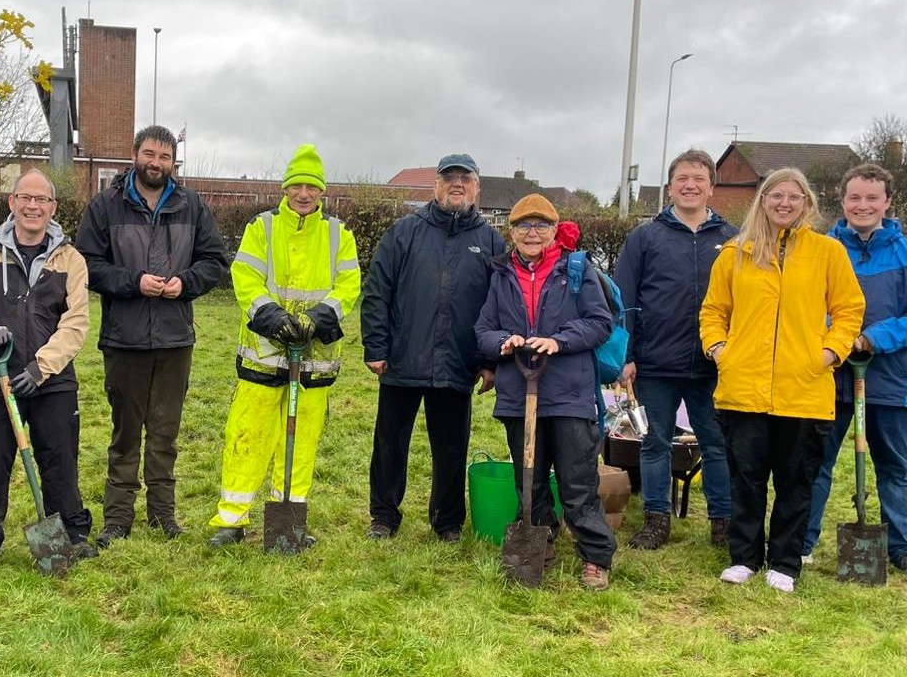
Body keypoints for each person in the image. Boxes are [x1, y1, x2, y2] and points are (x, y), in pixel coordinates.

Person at [700, 167, 864, 592]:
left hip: (804, 389)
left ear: (807, 203)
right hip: (743, 388)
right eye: (776, 196)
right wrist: (719, 349)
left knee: (796, 481)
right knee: (746, 478)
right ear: (763, 201)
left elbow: (849, 310)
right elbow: (713, 311)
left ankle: (786, 563)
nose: (784, 204)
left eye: (794, 197)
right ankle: (744, 558)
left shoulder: (828, 253)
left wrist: (829, 352)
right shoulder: (736, 252)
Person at [75, 126, 230, 545]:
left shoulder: (191, 205)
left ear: (173, 162)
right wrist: (132, 282)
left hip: (175, 338)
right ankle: (118, 519)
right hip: (124, 338)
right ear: (134, 154)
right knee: (125, 433)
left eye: (164, 156)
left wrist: (187, 282)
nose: (155, 162)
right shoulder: (106, 206)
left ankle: (163, 515)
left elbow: (215, 260)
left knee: (165, 432)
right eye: (149, 154)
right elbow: (86, 264)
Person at [207, 144, 361, 550]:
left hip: (313, 359)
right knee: (247, 434)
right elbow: (245, 277)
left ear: (322, 191)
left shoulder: (337, 234)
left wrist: (317, 319)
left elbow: (348, 285)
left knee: (302, 440)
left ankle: (287, 519)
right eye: (297, 185)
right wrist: (274, 318)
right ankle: (231, 519)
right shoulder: (263, 227)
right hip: (265, 352)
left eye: (312, 186)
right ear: (286, 188)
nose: (304, 193)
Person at [802, 163, 907, 585]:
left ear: (887, 202)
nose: (862, 205)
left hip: (892, 379)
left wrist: (874, 338)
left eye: (871, 198)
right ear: (842, 201)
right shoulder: (821, 251)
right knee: (814, 462)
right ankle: (802, 541)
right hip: (826, 375)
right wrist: (833, 339)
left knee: (895, 466)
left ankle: (903, 548)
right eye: (854, 198)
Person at [0, 169, 93, 568]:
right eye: (25, 198)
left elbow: (76, 322)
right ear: (11, 203)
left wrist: (41, 368)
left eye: (41, 200)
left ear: (53, 208)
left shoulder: (71, 260)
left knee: (60, 462)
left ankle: (72, 536)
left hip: (53, 381)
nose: (33, 206)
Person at [475, 194, 617, 589]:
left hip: (570, 393)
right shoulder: (501, 274)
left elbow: (599, 322)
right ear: (512, 232)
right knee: (529, 479)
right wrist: (503, 341)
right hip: (520, 394)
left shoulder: (576, 269)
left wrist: (559, 340)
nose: (532, 233)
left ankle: (595, 555)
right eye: (523, 225)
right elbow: (483, 329)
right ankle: (541, 542)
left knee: (577, 482)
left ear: (555, 230)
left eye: (541, 225)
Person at [361, 153, 504, 541]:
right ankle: (384, 517)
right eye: (449, 177)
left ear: (477, 187)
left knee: (452, 447)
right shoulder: (404, 232)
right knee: (390, 444)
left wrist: (490, 361)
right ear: (435, 185)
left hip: (459, 361)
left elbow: (500, 304)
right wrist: (376, 345)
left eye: (465, 178)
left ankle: (447, 521)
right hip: (402, 359)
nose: (456, 184)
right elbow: (377, 291)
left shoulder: (491, 241)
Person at [614, 149, 737, 550]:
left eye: (699, 179)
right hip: (656, 363)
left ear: (711, 188)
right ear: (670, 187)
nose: (690, 185)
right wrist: (626, 355)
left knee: (716, 445)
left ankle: (723, 522)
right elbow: (623, 299)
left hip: (713, 364)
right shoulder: (645, 237)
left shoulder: (732, 239)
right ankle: (655, 520)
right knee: (655, 443)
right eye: (683, 178)